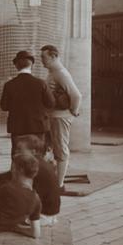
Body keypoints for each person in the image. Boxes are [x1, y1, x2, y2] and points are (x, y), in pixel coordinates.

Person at [0, 134, 61, 225]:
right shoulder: (37, 162)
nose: (16, 152)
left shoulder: (34, 166)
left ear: (33, 152)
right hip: (49, 213)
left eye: (19, 150)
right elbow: (8, 177)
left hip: (43, 215)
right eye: (16, 149)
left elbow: (11, 181)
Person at [40, 44, 83, 190]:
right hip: (52, 117)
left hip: (59, 118)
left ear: (54, 56)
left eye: (44, 57)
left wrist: (73, 111)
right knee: (48, 149)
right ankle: (52, 181)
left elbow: (76, 95)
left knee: (61, 151)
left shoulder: (61, 73)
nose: (42, 60)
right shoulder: (53, 72)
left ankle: (59, 185)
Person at [0, 50, 55, 158]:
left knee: (19, 159)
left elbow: (4, 106)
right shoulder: (41, 83)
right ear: (31, 65)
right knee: (38, 159)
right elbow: (51, 103)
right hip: (38, 128)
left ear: (16, 66)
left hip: (17, 129)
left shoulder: (9, 85)